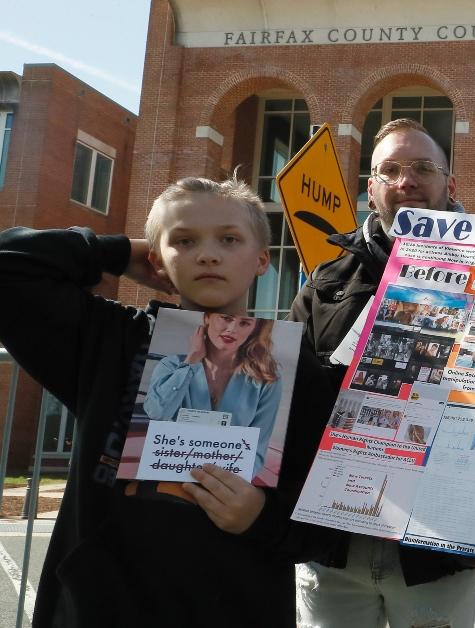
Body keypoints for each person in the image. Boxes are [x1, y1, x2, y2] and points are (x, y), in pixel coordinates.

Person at [0, 176, 335, 627]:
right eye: (184, 240)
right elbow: (10, 265)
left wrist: (260, 518)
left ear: (262, 260)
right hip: (100, 606)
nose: (208, 253)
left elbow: (325, 527)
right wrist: (119, 253)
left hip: (239, 606)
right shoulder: (109, 338)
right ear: (157, 259)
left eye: (229, 238)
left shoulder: (299, 373)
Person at [289, 118, 475, 628]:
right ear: (371, 188)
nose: (407, 180)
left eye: (422, 167)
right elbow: (290, 405)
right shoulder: (323, 285)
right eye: (390, 170)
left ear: (450, 184)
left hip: (438, 548)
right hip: (334, 548)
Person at [144, 312, 282, 477]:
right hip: (168, 476)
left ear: (254, 329)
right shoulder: (171, 366)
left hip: (224, 487)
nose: (232, 329)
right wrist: (192, 360)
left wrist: (224, 485)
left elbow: (257, 451)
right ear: (207, 318)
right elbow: (157, 413)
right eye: (226, 318)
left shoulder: (266, 379)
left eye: (244, 323)